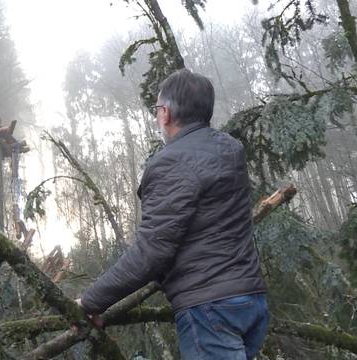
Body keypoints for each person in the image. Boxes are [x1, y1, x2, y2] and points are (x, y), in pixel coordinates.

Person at [77, 69, 269, 360]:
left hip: (211, 308)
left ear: (165, 113)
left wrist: (91, 301)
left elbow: (151, 252)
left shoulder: (171, 163)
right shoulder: (230, 149)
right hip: (251, 301)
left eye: (157, 110)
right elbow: (204, 228)